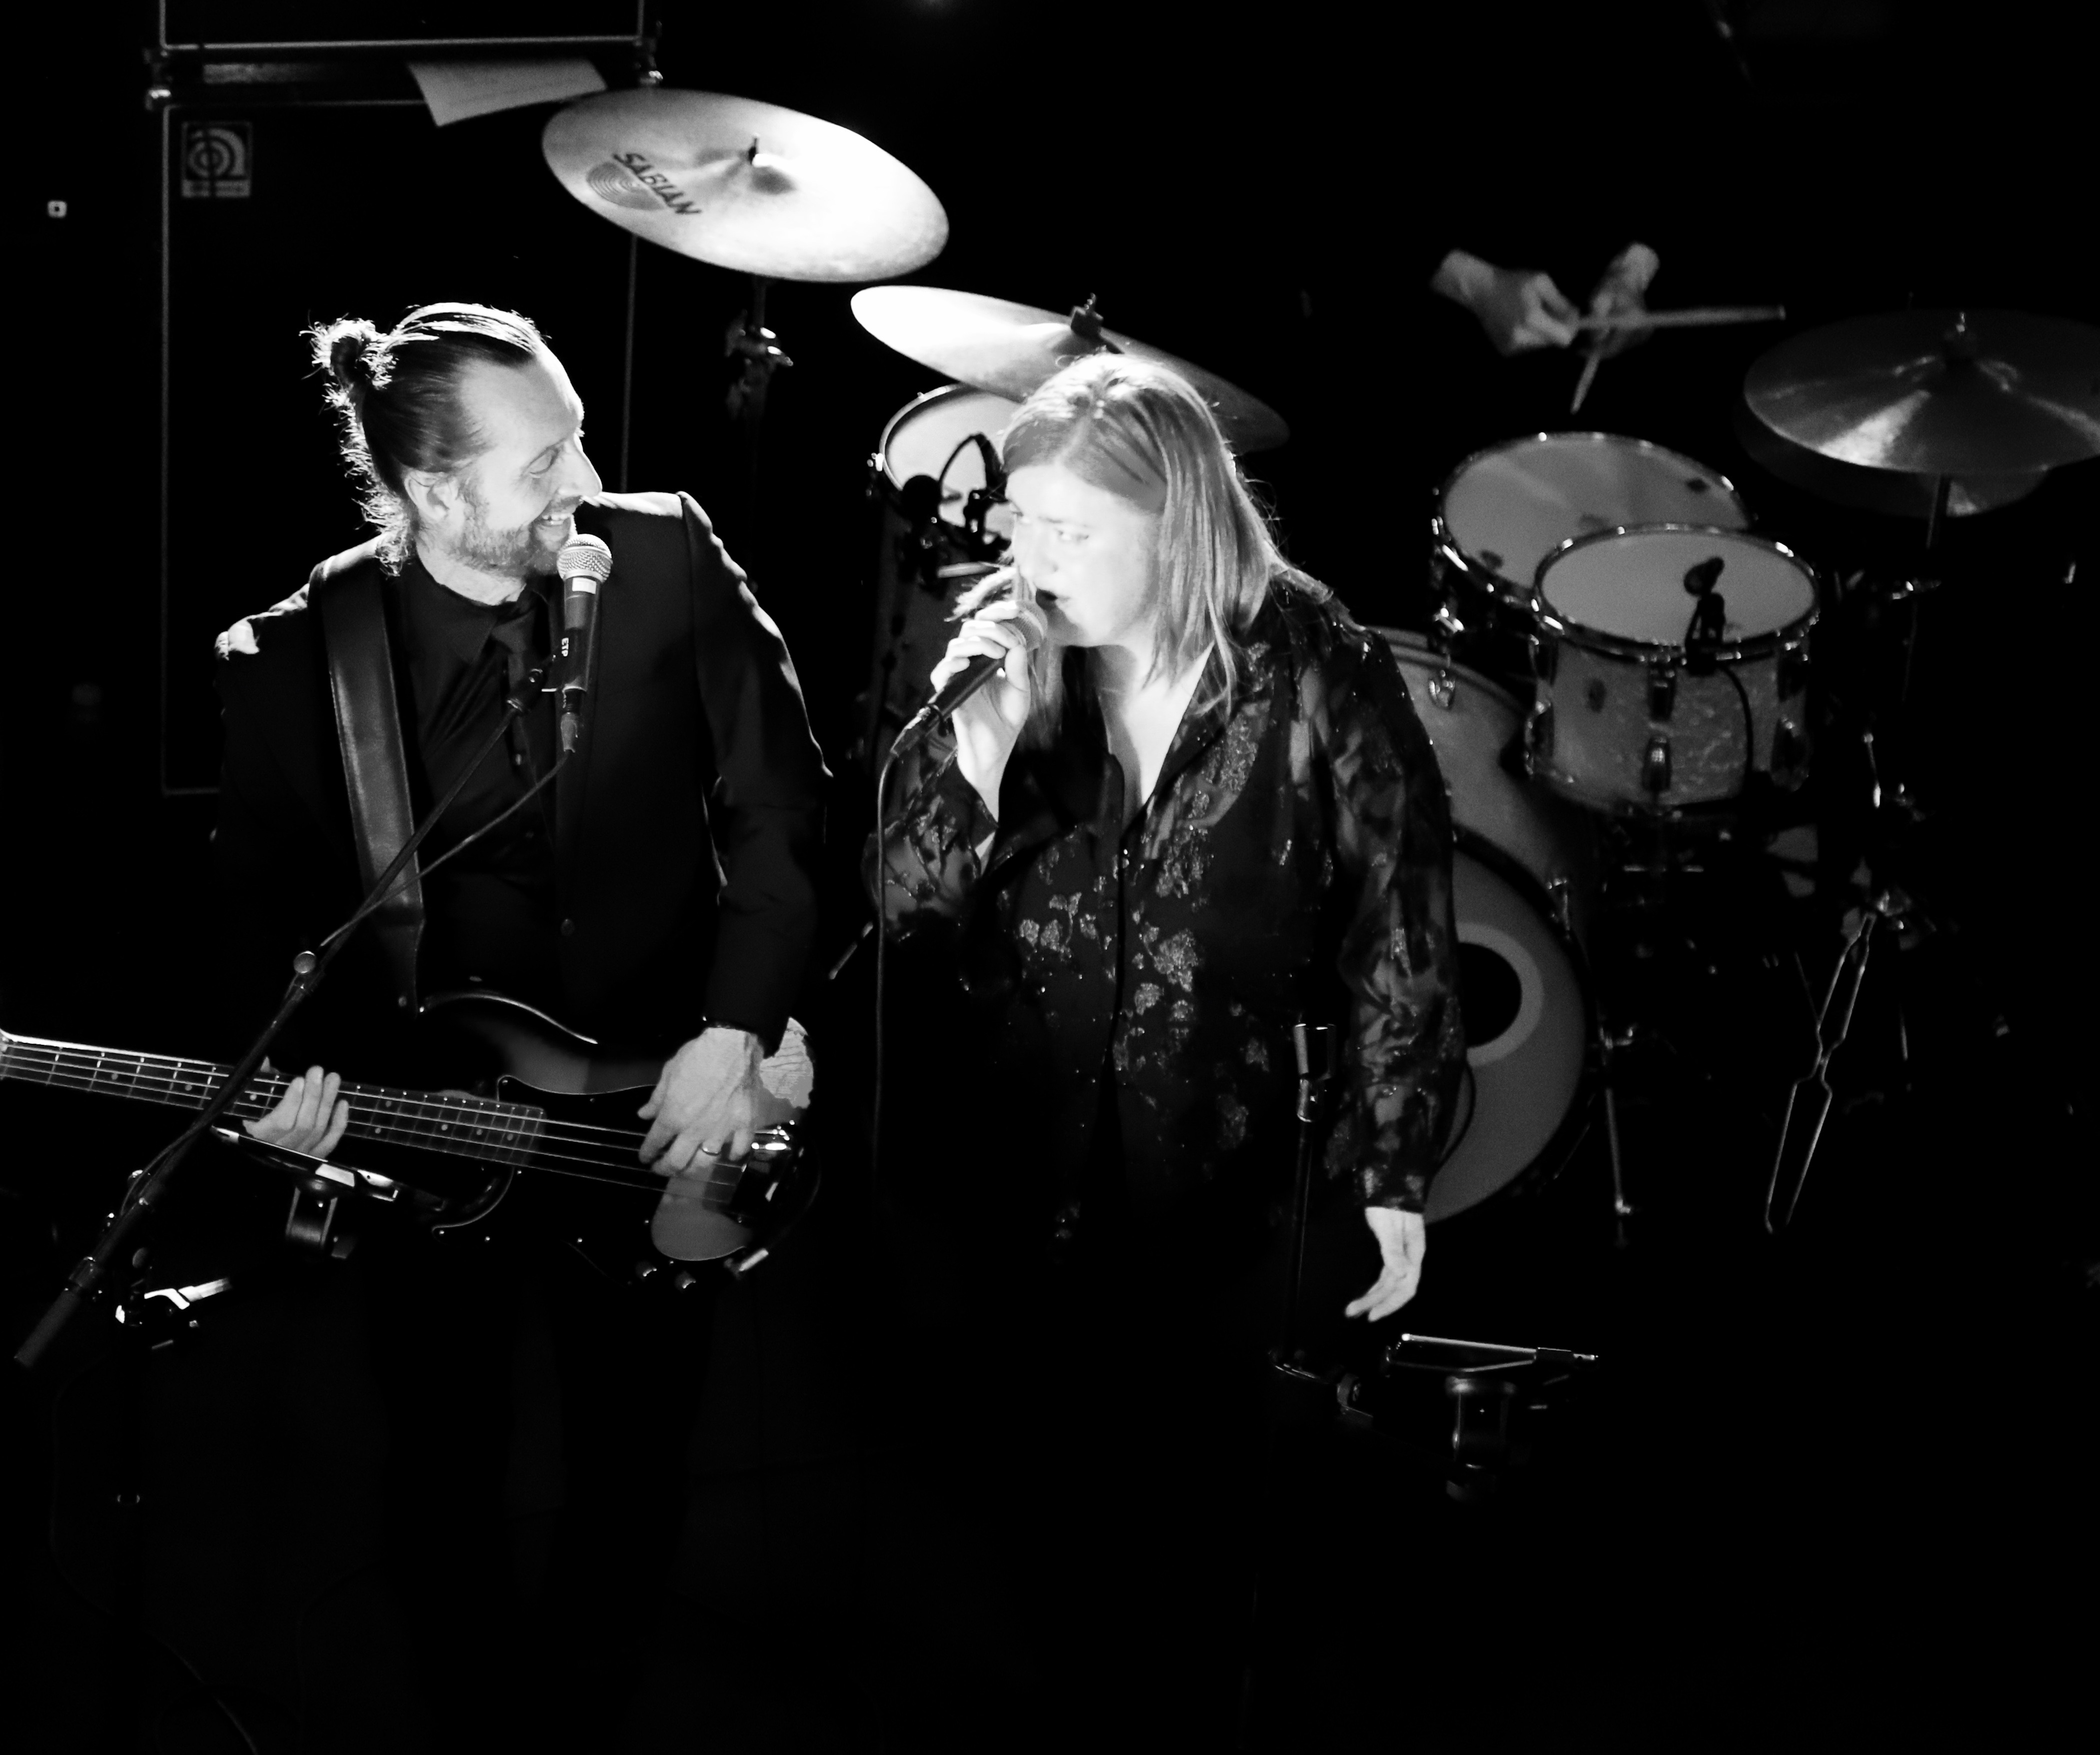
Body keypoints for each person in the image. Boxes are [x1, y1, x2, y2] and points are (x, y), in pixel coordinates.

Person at [160, 302, 825, 1744]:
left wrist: (735, 1031)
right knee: (440, 1449)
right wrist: (282, 1091)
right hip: (434, 1126)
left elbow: (781, 808)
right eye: (544, 461)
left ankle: (590, 1715)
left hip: (660, 1103)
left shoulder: (668, 554)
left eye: (577, 438)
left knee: (638, 1450)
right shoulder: (293, 660)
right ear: (434, 492)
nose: (585, 478)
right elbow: (256, 918)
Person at [868, 353, 1464, 1739]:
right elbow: (904, 911)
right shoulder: (1010, 653)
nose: (1033, 561)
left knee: (1211, 1522)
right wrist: (977, 746)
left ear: (1177, 520)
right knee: (1049, 1505)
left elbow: (1403, 903)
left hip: (1237, 1157)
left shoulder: (1307, 655)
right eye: (1023, 524)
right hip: (1036, 1149)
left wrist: (1391, 1160)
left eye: (1073, 532)